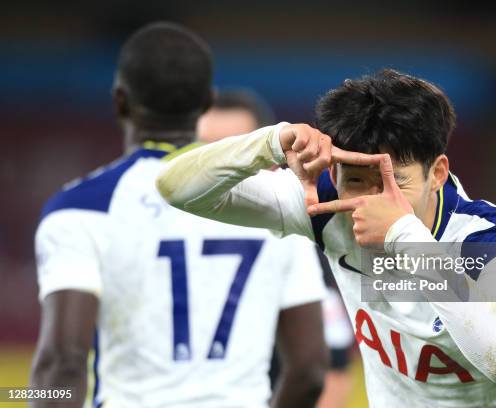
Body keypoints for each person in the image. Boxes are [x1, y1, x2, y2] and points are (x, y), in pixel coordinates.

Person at [156, 69, 496, 407]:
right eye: (357, 179)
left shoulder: (494, 239)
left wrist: (402, 235)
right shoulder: (325, 203)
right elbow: (175, 186)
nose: (374, 200)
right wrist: (271, 143)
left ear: (438, 172)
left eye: (398, 180)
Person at [30, 22, 328, 408]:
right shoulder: (277, 206)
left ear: (120, 100)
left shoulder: (79, 207)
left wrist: (17, 393)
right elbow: (309, 370)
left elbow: (62, 363)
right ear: (206, 103)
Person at [197, 89, 356, 408]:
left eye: (234, 152)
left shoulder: (306, 242)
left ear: (269, 161)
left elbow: (331, 373)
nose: (219, 170)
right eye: (206, 153)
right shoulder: (155, 240)